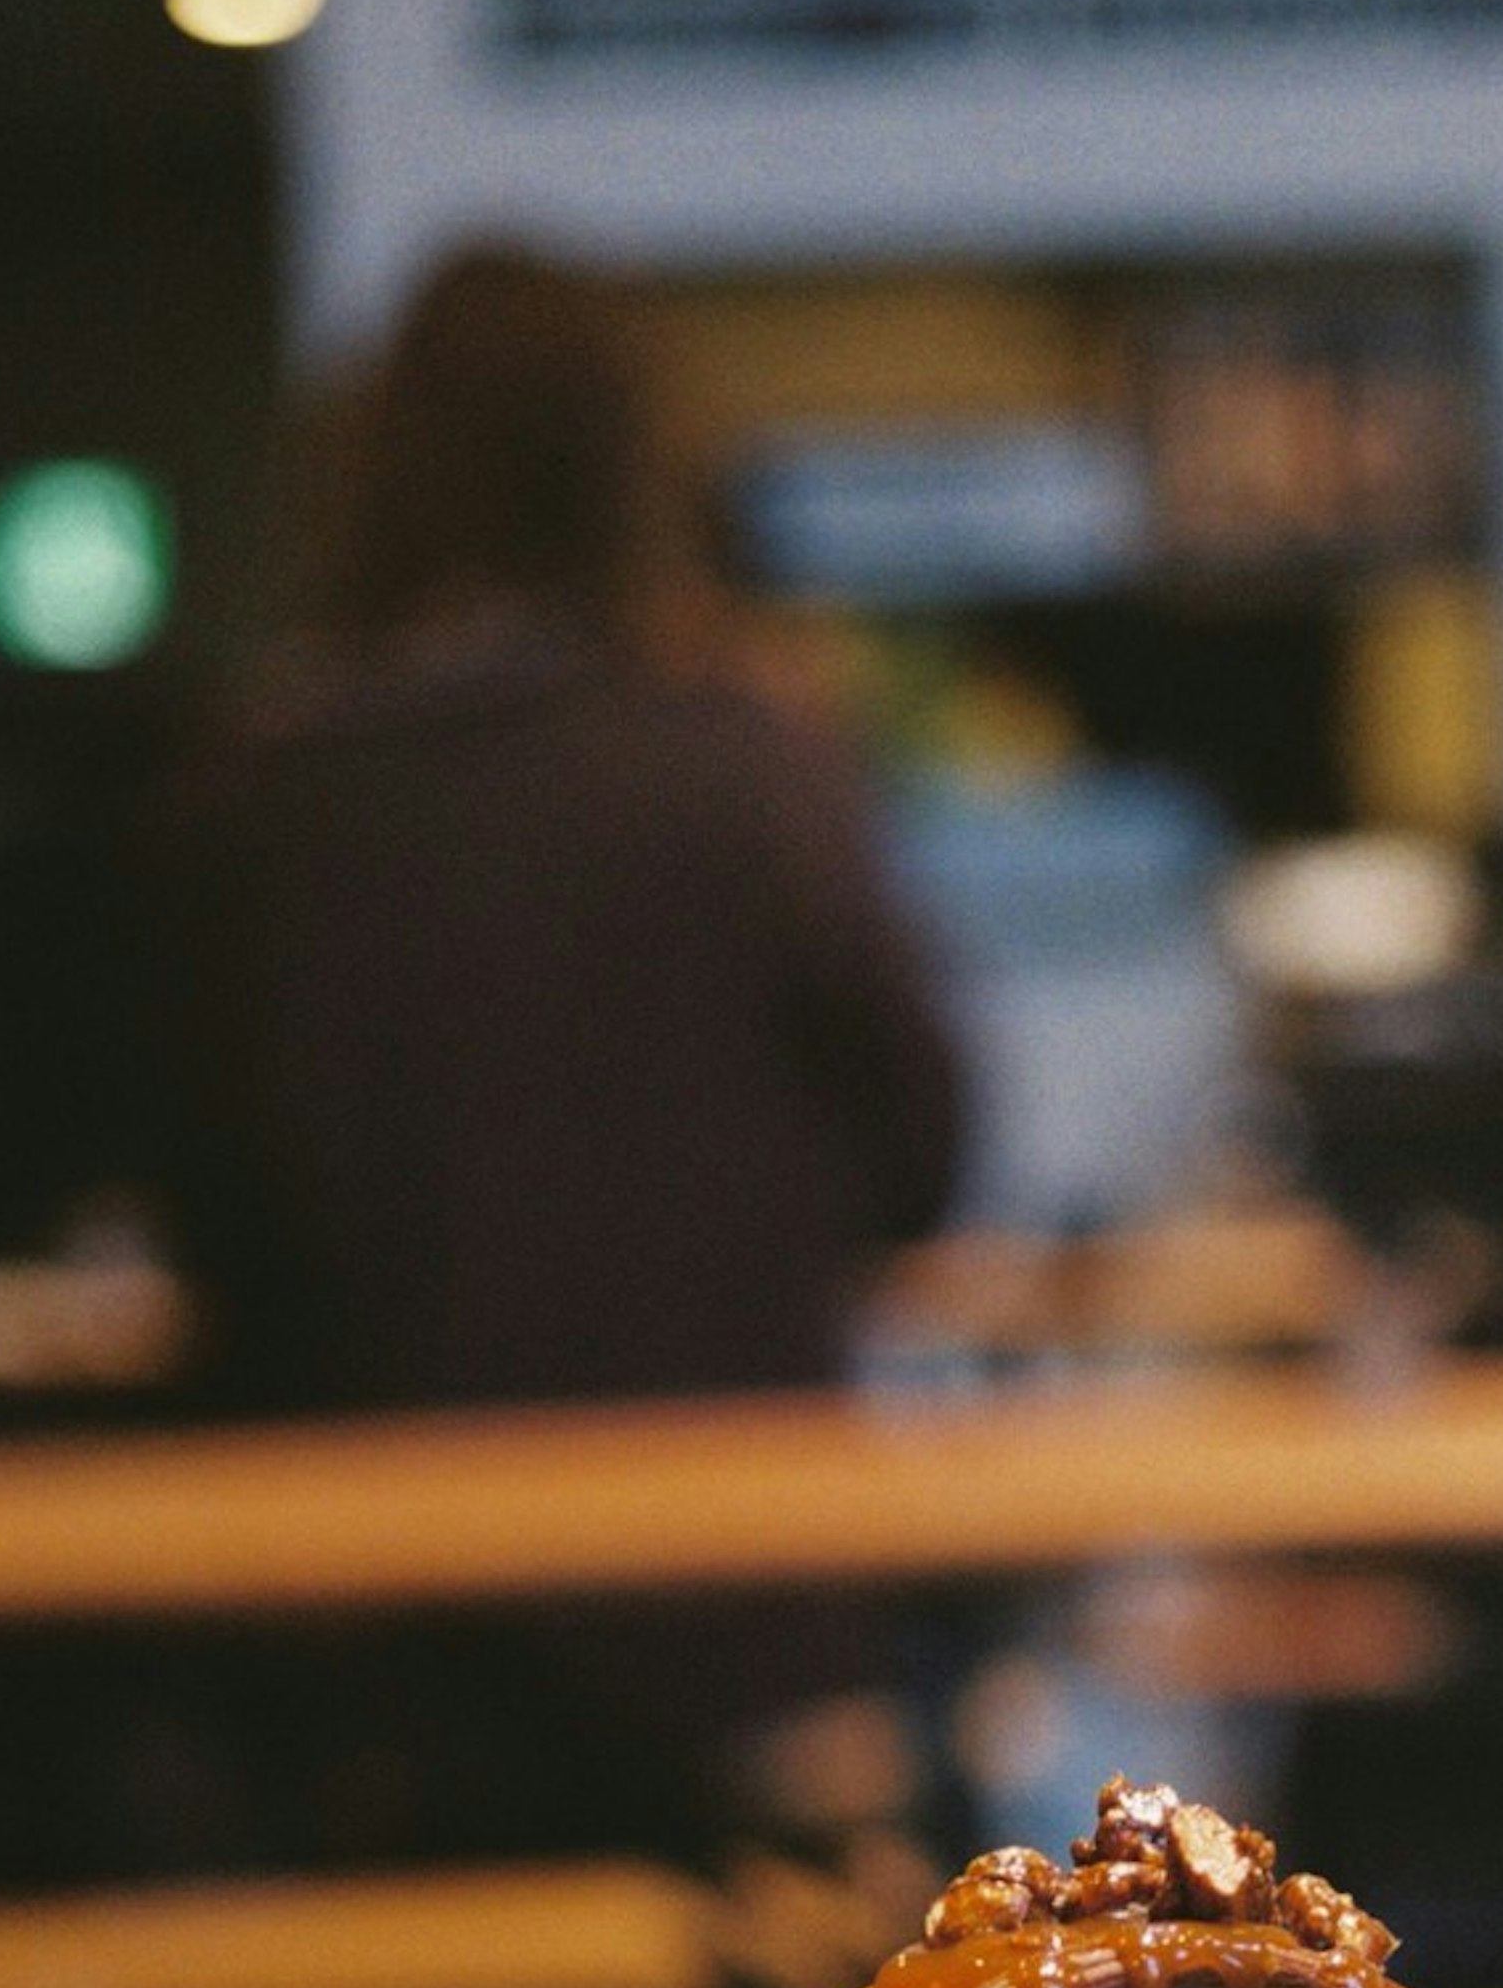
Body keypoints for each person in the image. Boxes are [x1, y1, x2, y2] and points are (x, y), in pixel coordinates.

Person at [157, 240, 966, 1417]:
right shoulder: (748, 772)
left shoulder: (255, 806)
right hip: (733, 1533)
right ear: (640, 470)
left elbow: (210, 1219)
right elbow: (921, 1158)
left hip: (370, 1550)